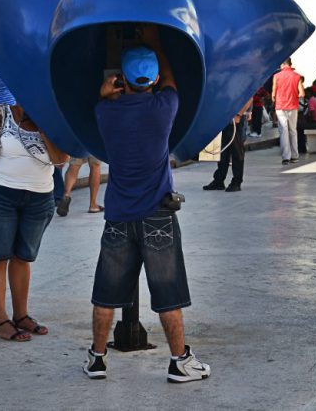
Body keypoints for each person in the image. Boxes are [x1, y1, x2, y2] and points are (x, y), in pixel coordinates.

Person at [84, 25, 210, 383]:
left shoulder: (105, 113)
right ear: (153, 80)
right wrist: (157, 45)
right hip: (158, 214)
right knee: (168, 294)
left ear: (121, 77)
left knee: (106, 293)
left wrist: (103, 91)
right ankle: (179, 361)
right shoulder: (164, 107)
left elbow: (101, 103)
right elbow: (171, 81)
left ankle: (97, 358)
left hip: (119, 216)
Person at [0, 102, 68, 342]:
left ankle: (21, 316)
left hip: (40, 199)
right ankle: (0, 321)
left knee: (23, 257)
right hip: (0, 196)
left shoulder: (51, 117)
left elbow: (61, 160)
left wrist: (43, 127)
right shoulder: (2, 114)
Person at [203, 99, 251, 192]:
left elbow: (249, 97)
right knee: (222, 151)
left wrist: (239, 114)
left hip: (235, 118)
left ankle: (236, 181)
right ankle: (219, 180)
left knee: (237, 151)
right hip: (223, 117)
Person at [273, 58, 304, 164]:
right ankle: (295, 156)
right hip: (293, 106)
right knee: (293, 131)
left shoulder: (276, 76)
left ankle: (286, 157)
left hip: (280, 106)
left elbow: (273, 94)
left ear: (283, 64)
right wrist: (294, 96)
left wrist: (276, 99)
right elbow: (302, 94)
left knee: (283, 131)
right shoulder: (297, 76)